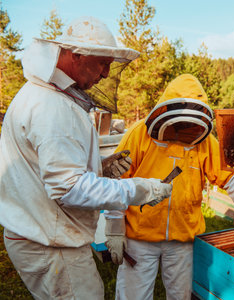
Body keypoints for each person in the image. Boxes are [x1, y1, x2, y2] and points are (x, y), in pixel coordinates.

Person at [0, 16, 172, 299]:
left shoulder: (39, 94)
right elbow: (68, 187)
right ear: (76, 55)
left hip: (38, 234)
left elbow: (45, 170)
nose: (106, 73)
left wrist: (98, 169)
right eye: (102, 62)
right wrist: (140, 189)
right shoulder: (52, 107)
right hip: (52, 246)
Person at [106, 74, 234, 300]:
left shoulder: (205, 143)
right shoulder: (138, 133)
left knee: (181, 296)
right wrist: (115, 229)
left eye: (189, 125)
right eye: (180, 124)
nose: (184, 130)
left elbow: (233, 179)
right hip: (139, 236)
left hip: (183, 240)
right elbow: (116, 181)